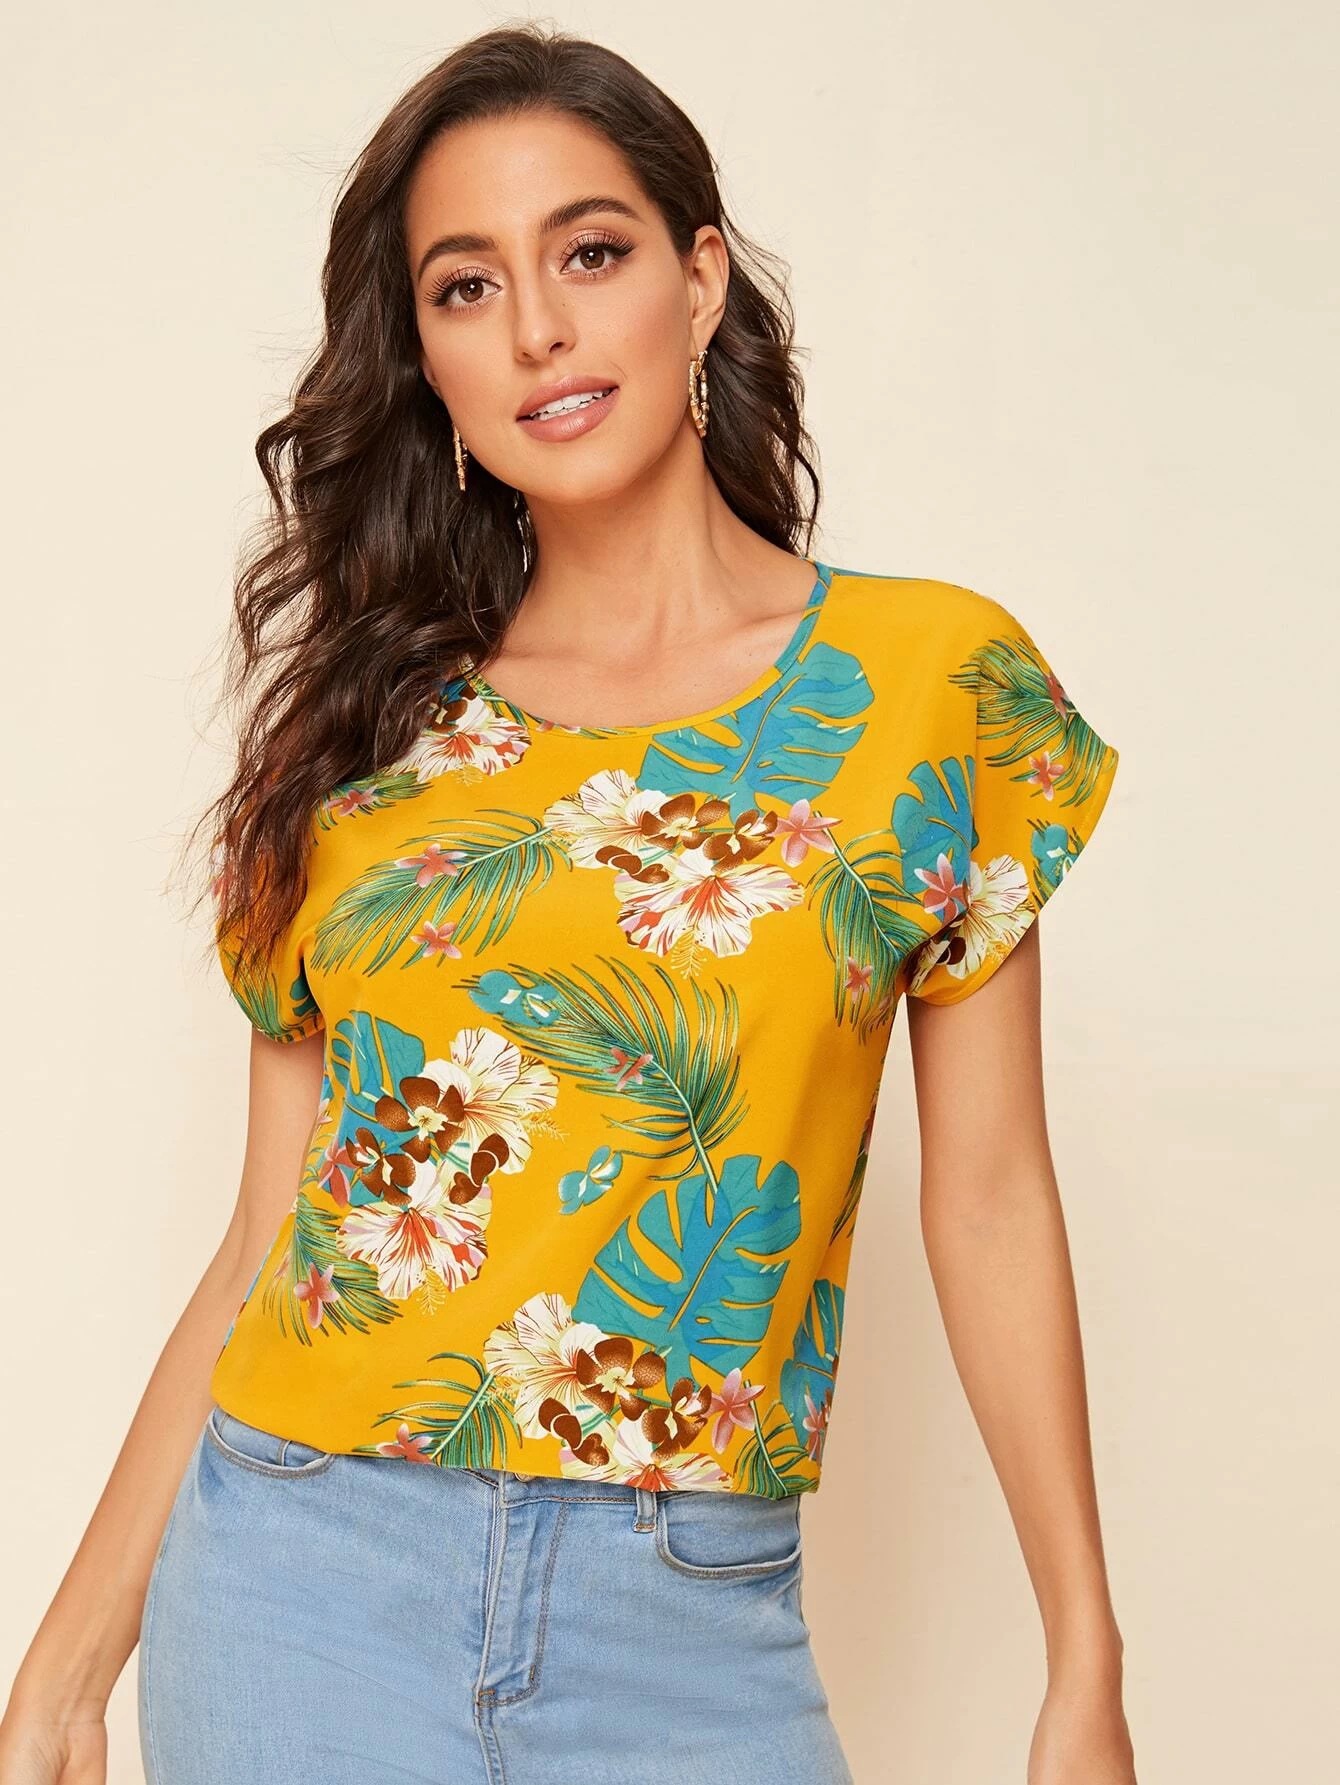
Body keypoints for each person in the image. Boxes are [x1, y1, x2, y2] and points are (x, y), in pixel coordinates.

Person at [0, 22, 1138, 1785]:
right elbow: (265, 1238)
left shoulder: (933, 687)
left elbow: (989, 1199)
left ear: (701, 280)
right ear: (430, 364)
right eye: (467, 287)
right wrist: (71, 1666)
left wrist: (1083, 1653)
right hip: (299, 1578)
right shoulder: (363, 741)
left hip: (689, 1615)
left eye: (589, 253)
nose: (537, 326)